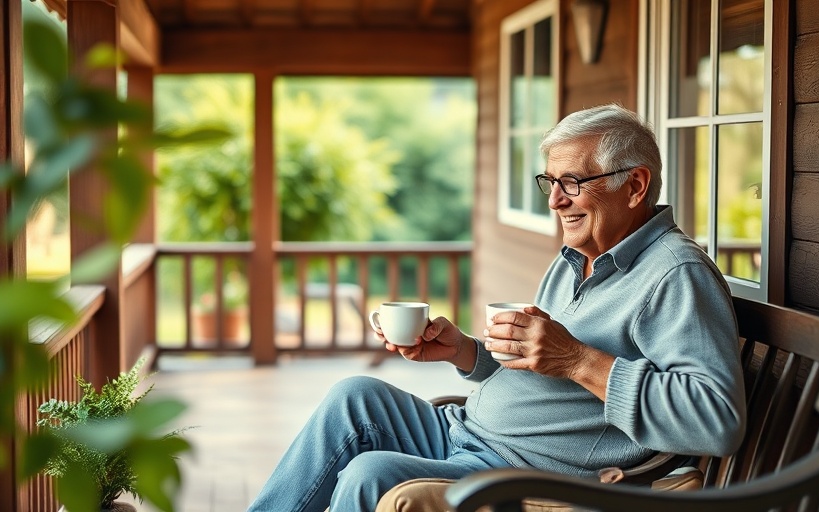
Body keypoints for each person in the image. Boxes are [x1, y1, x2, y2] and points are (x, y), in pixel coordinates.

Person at [247, 104, 747, 512]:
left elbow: (716, 420)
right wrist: (467, 353)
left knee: (371, 473)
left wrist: (577, 359)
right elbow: (544, 372)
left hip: (529, 473)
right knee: (354, 395)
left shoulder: (675, 276)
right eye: (548, 182)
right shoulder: (578, 258)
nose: (555, 201)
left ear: (634, 186)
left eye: (572, 182)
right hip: (469, 434)